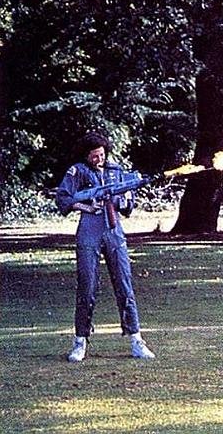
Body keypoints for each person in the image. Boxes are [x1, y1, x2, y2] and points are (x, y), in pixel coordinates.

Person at [56, 131, 155, 362]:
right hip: (89, 232)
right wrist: (86, 206)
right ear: (86, 155)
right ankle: (80, 341)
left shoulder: (117, 171)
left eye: (101, 154)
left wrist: (119, 200)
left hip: (114, 232)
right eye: (93, 156)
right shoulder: (77, 171)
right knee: (87, 287)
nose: (98, 159)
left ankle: (136, 339)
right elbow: (63, 198)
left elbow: (129, 205)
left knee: (124, 285)